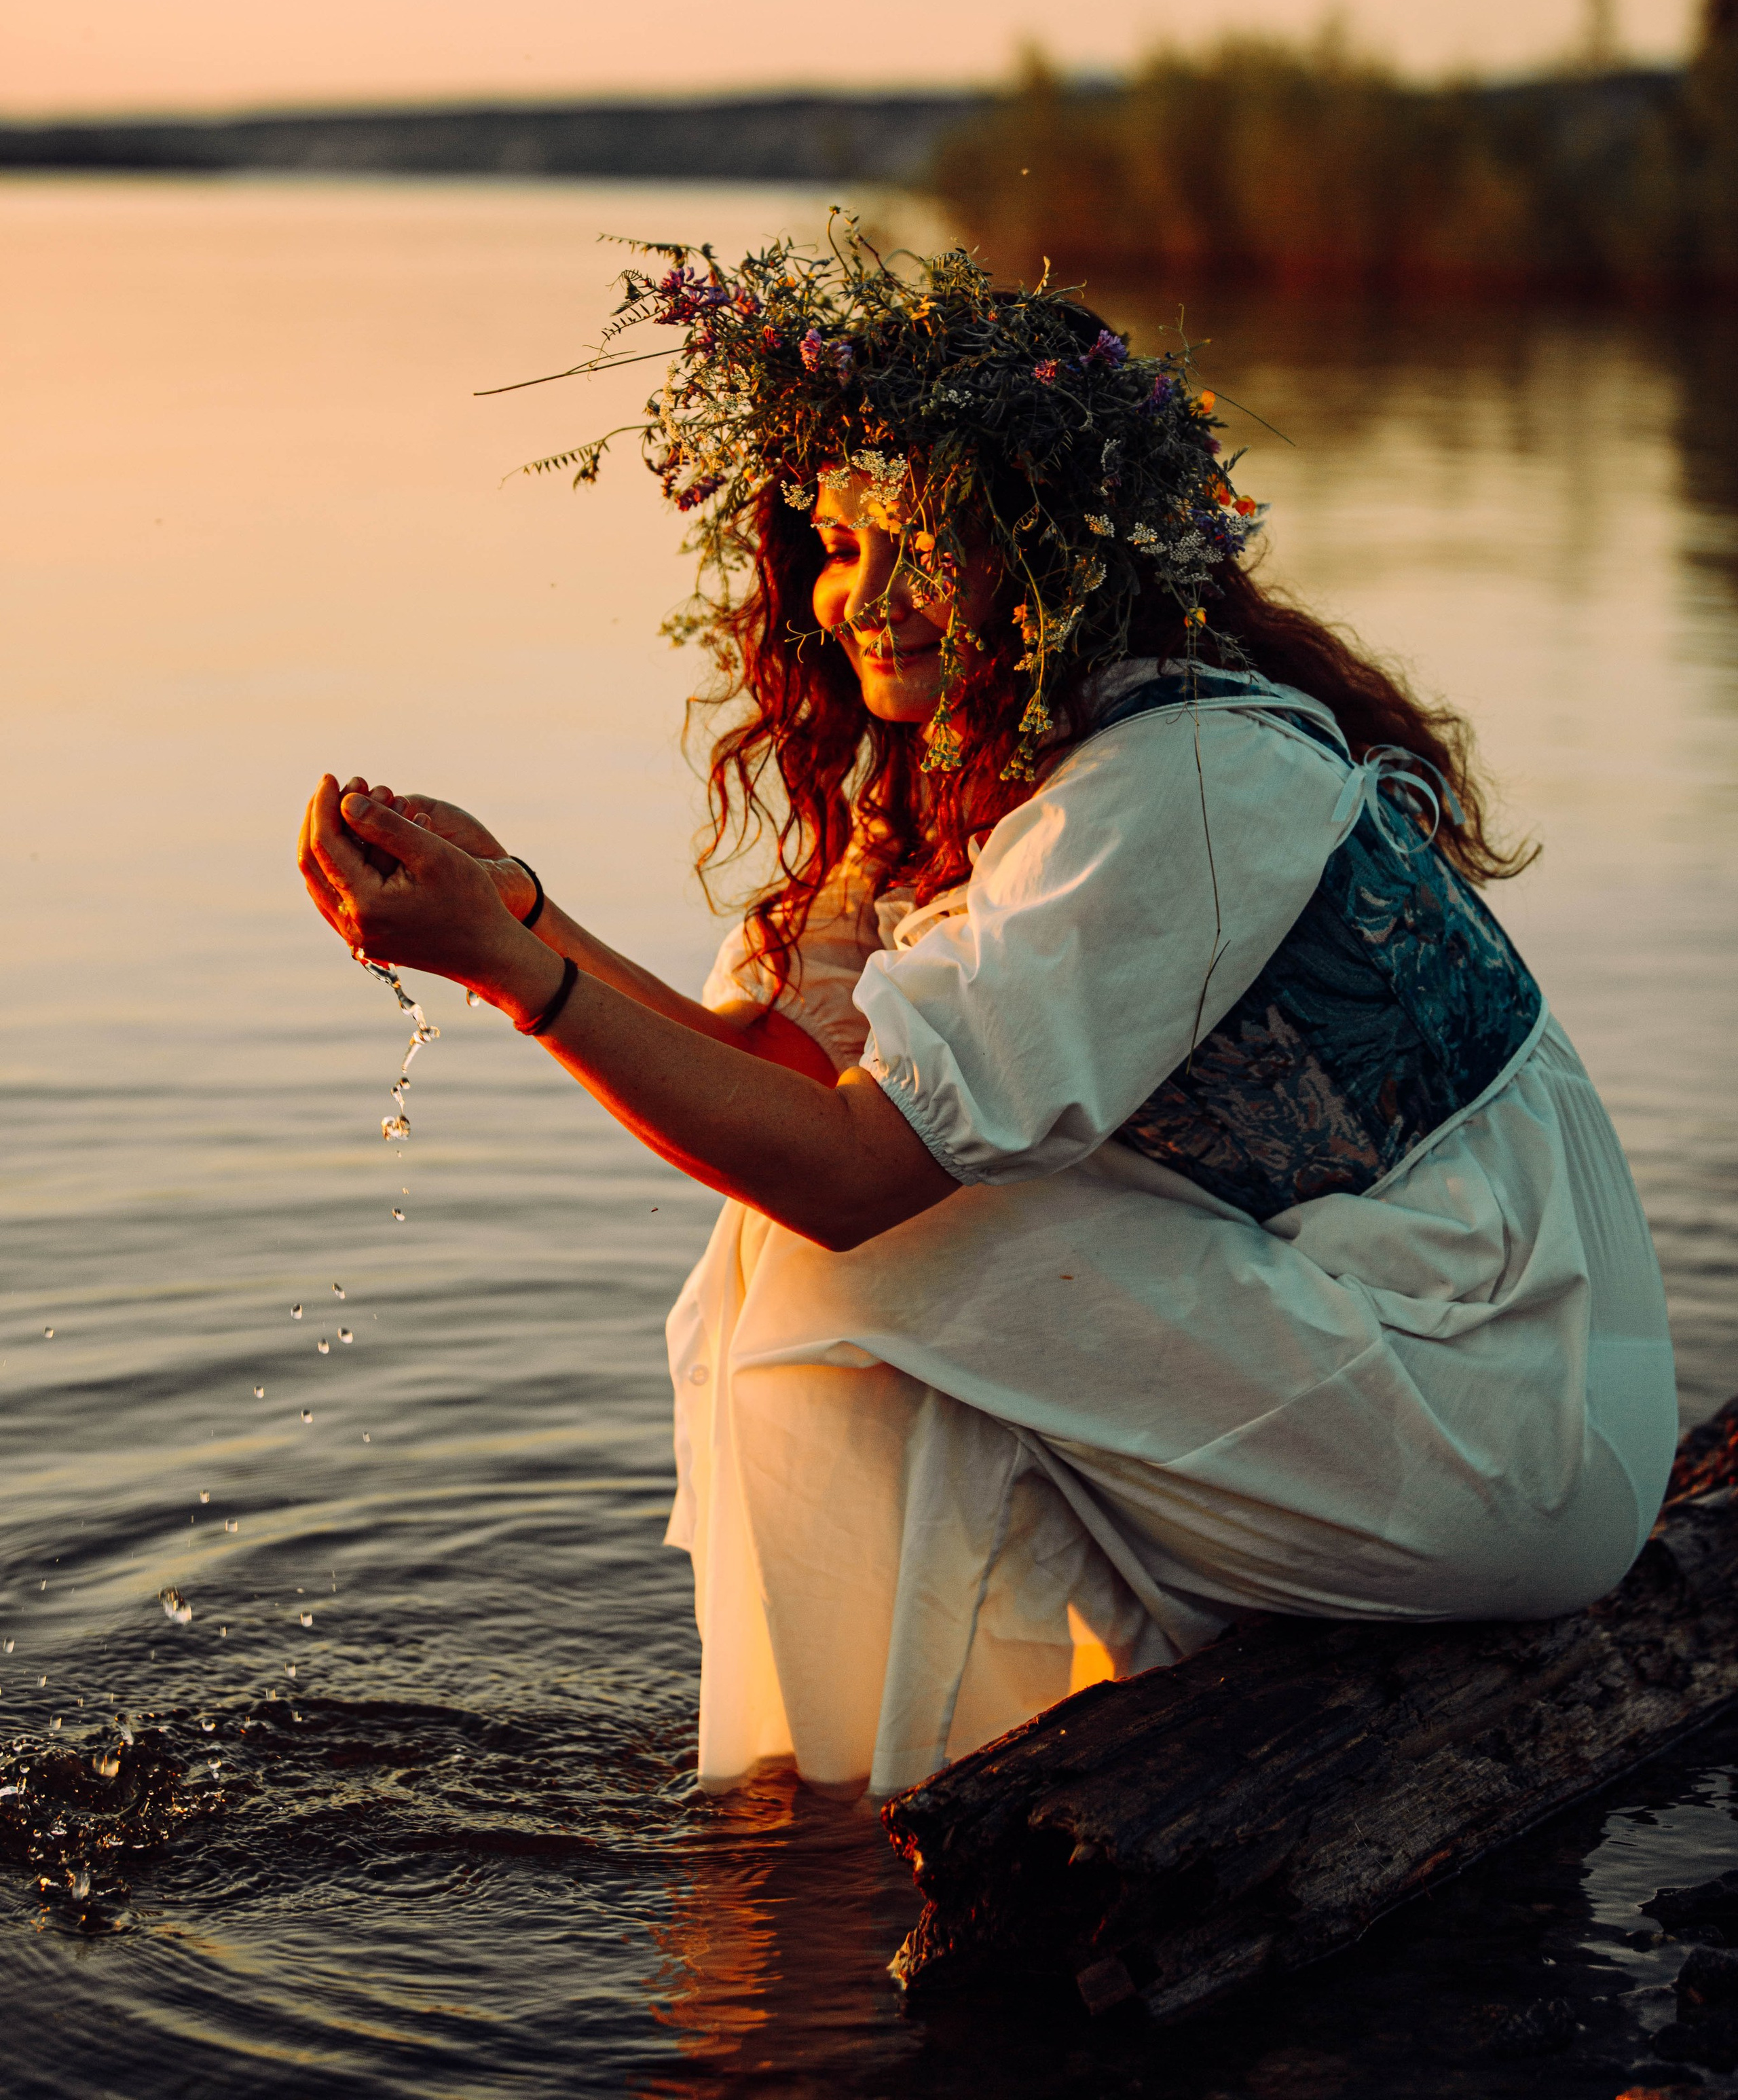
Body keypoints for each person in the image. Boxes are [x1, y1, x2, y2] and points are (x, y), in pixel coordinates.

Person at [297, 229, 1678, 1802]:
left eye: (919, 544)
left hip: (1507, 1424)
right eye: (836, 543)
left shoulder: (1185, 781)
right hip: (1385, 1366)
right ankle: (903, 1804)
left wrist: (512, 969)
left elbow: (842, 1172)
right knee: (844, 1256)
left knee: (861, 1246)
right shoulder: (980, 779)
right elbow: (790, 1079)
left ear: (1054, 557)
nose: (860, 598)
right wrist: (516, 908)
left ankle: (817, 1828)